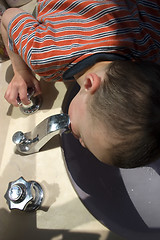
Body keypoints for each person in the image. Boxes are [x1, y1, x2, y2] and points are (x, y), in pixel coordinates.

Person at [1, 0, 160, 168]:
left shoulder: (149, 44)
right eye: (82, 135)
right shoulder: (44, 56)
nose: (83, 143)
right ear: (90, 84)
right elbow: (8, 16)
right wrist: (22, 72)